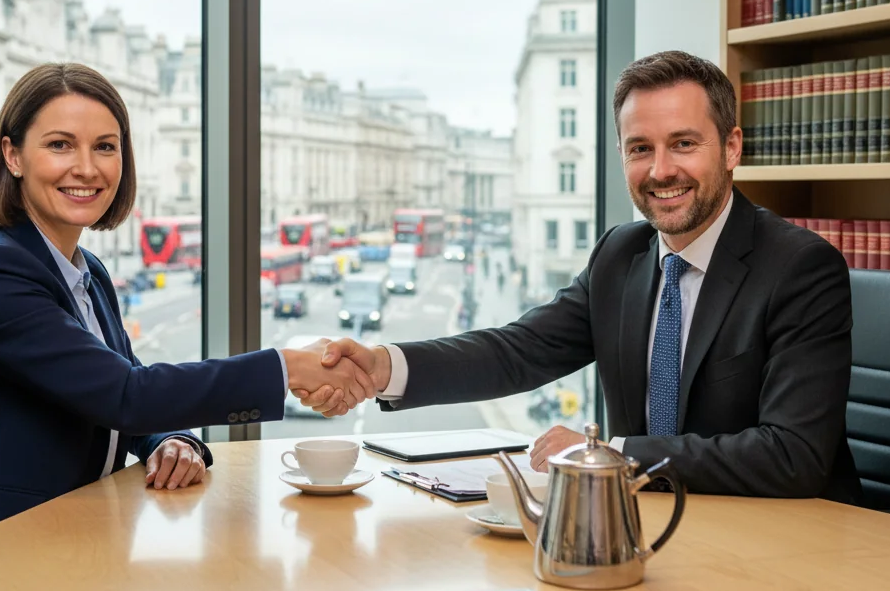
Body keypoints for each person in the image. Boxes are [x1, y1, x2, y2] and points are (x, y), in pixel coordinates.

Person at [298, 50, 860, 503]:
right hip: (652, 532)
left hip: (785, 548)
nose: (661, 170)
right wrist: (380, 368)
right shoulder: (622, 253)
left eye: (683, 144)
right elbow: (517, 351)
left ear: (731, 147)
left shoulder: (799, 268)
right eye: (641, 149)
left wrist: (610, 455)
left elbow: (793, 457)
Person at [0, 63, 372, 555]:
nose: (87, 167)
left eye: (105, 146)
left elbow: (117, 380)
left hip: (67, 535)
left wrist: (166, 440)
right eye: (60, 145)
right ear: (12, 156)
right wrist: (286, 367)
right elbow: (127, 395)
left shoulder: (88, 271)